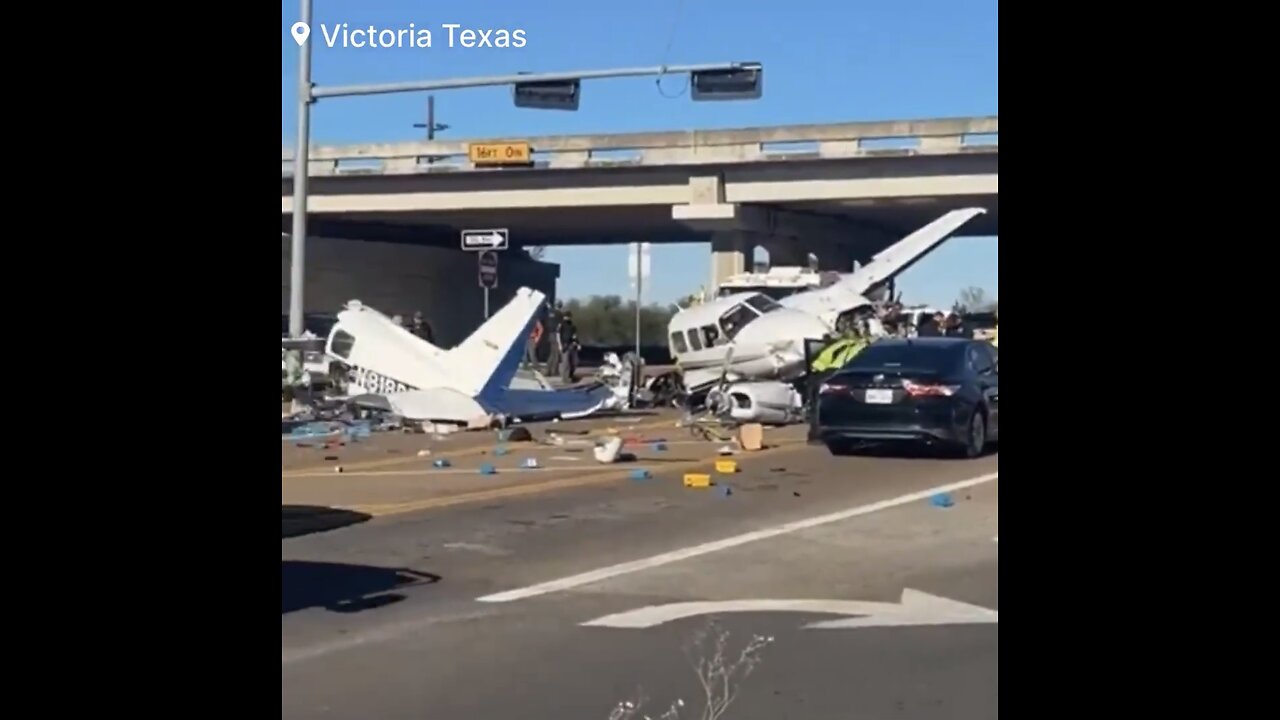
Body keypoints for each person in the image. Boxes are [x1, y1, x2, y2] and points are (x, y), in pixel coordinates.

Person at [557, 310, 580, 383]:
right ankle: (565, 378)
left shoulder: (572, 325)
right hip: (564, 345)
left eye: (568, 317)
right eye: (566, 317)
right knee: (566, 362)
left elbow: (574, 335)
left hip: (572, 345)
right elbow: (558, 335)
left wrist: (577, 343)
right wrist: (560, 345)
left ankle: (570, 375)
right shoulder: (561, 324)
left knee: (574, 362)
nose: (567, 318)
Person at [544, 301, 565, 377]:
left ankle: (547, 370)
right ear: (561, 306)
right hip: (556, 335)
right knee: (556, 354)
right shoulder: (560, 314)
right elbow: (560, 326)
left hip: (550, 335)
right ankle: (554, 371)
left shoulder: (550, 312)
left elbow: (549, 308)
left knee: (551, 354)